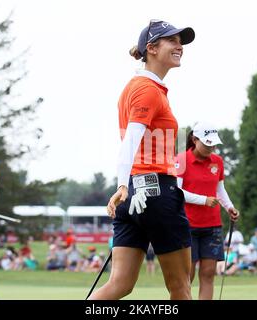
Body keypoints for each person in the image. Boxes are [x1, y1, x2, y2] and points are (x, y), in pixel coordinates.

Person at [91, 20, 196, 300]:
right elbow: (129, 143)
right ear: (151, 48)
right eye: (171, 41)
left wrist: (126, 188)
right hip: (156, 192)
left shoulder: (139, 87)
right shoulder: (147, 89)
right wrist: (121, 186)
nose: (179, 46)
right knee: (181, 286)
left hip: (134, 196)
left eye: (180, 41)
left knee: (119, 285)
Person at [175, 123, 239, 300]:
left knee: (209, 273)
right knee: (188, 274)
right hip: (187, 224)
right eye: (207, 144)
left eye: (214, 144)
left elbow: (220, 190)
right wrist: (203, 200)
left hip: (212, 225)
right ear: (194, 140)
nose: (212, 148)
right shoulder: (181, 159)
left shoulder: (217, 161)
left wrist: (229, 207)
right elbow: (177, 192)